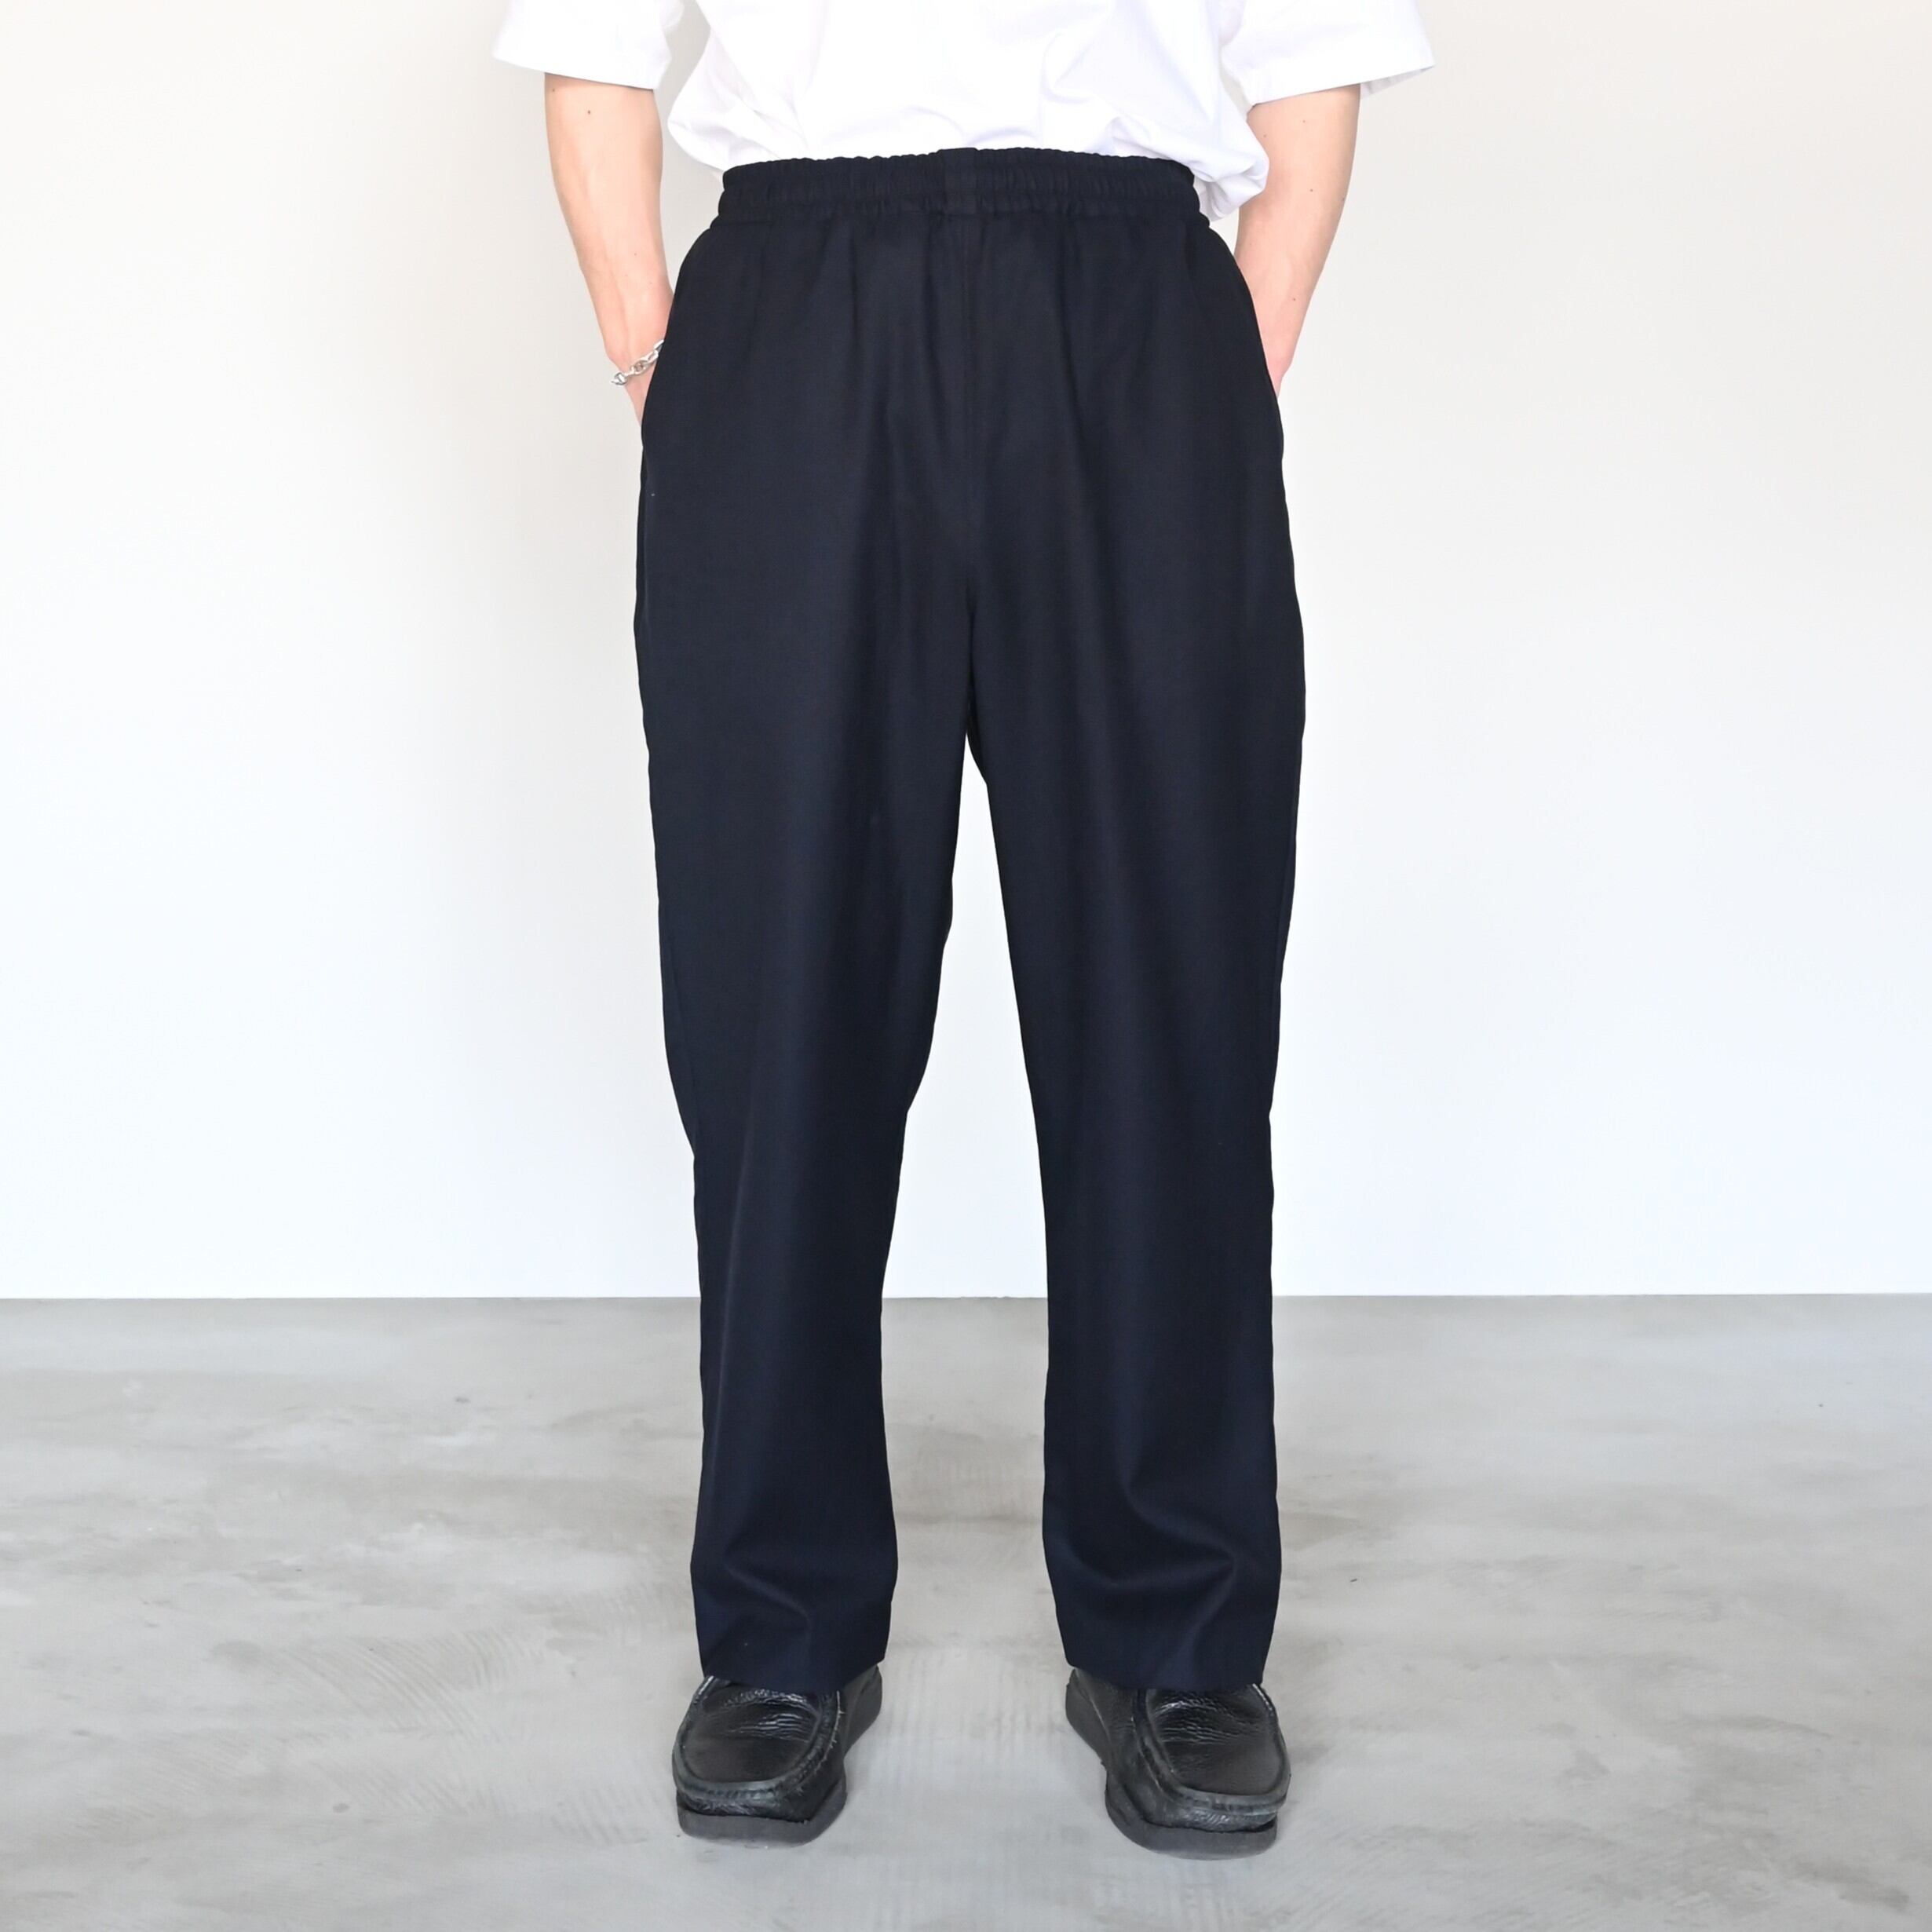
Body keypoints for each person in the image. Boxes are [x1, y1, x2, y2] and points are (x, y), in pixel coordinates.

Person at [495, 0, 1431, 1857]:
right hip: (797, 301)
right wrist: (656, 358)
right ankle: (781, 1628)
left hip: (1132, 300)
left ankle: (1174, 1637)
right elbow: (590, 49)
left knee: (1167, 992)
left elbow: (1310, 56)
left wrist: (1220, 364)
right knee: (780, 1006)